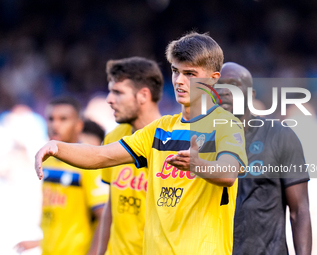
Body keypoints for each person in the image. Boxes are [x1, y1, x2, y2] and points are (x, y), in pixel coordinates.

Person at [35, 32, 248, 255]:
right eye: (176, 71)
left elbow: (229, 173)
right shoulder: (160, 129)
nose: (179, 81)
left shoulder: (225, 125)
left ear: (213, 78)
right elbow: (101, 156)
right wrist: (57, 148)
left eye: (190, 74)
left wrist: (198, 164)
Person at [216, 62, 312, 255]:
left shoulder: (280, 136)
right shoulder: (201, 142)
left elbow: (299, 211)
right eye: (219, 86)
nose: (225, 91)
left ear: (250, 95)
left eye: (233, 85)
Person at [21, 97, 108, 255]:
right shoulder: (47, 161)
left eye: (63, 119)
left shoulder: (88, 162)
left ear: (78, 125)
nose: (55, 125)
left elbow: (104, 216)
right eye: (51, 119)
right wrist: (37, 243)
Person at [96, 57, 163, 255]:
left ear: (143, 95)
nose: (109, 99)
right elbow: (112, 204)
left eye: (118, 92)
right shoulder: (114, 137)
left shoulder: (172, 141)